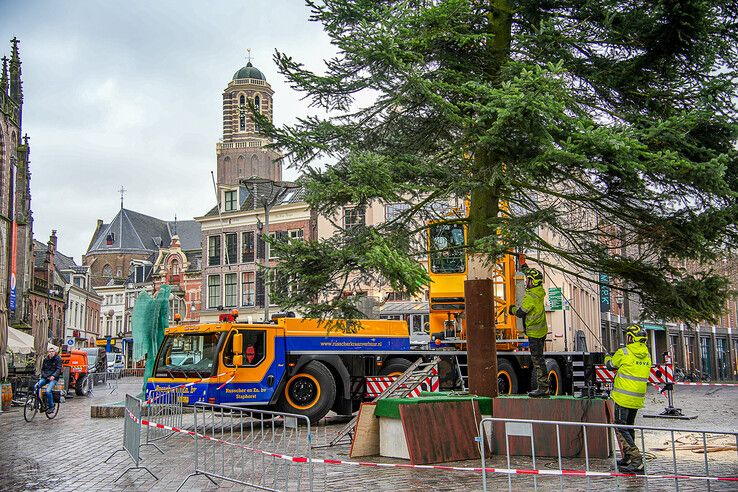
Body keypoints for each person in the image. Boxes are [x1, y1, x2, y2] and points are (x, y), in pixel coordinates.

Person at [605, 324, 652, 474]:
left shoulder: (623, 352)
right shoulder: (647, 354)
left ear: (631, 338)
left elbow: (610, 365)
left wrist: (607, 357)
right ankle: (628, 457)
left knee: (621, 427)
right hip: (637, 399)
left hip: (622, 397)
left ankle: (636, 460)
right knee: (629, 427)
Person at [509, 253, 550, 398]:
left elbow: (521, 312)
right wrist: (523, 264)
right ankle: (544, 387)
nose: (526, 282)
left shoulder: (531, 297)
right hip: (541, 331)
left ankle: (543, 388)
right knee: (539, 359)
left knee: (537, 360)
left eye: (528, 280)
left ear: (532, 282)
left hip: (535, 333)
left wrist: (511, 309)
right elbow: (530, 274)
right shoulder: (538, 290)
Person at [35, 346, 63, 413]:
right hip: (46, 377)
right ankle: (40, 404)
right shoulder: (45, 360)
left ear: (55, 352)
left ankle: (51, 406)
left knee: (48, 391)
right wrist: (44, 376)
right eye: (49, 352)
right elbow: (43, 369)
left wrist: (53, 376)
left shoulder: (58, 359)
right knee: (36, 386)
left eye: (52, 351)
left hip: (54, 378)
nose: (51, 353)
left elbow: (59, 369)